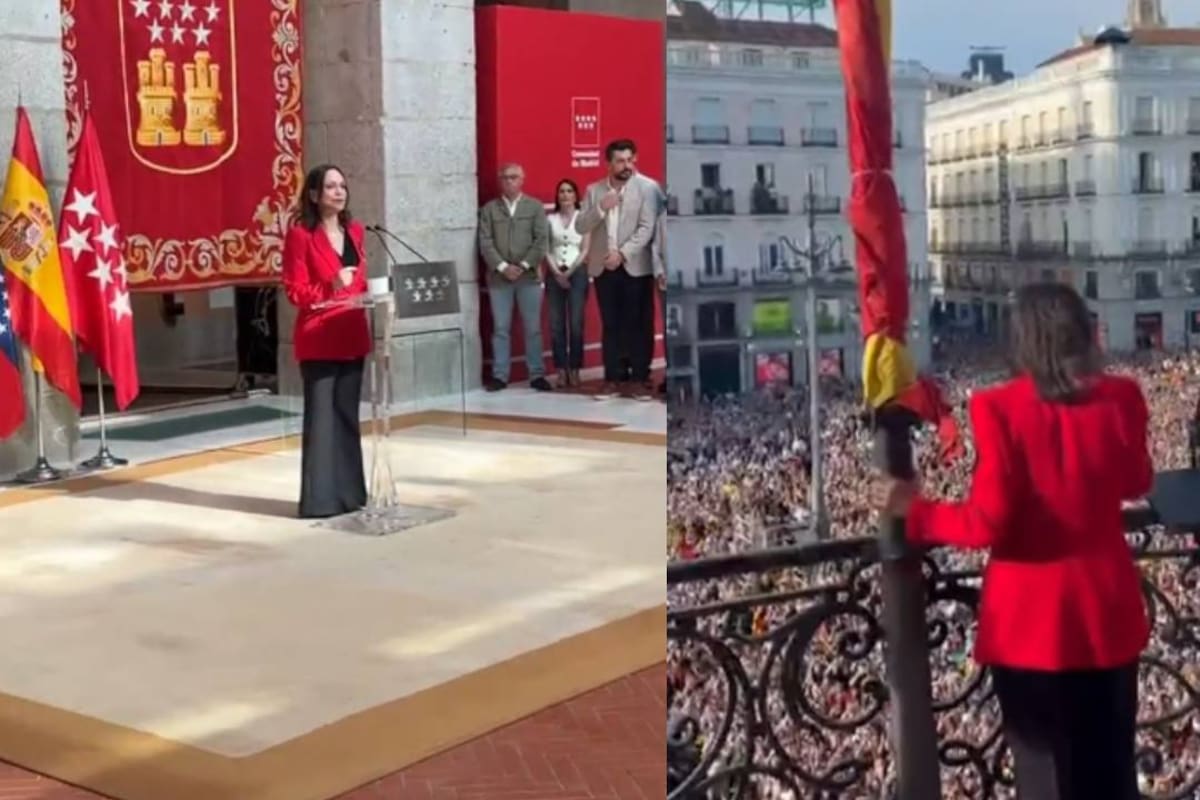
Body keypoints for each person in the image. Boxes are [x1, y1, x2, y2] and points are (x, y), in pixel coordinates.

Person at [872, 282, 1153, 800]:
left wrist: (918, 512)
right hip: (1108, 614)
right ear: (1083, 332)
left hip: (1032, 626)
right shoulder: (1123, 396)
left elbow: (986, 523)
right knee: (1111, 770)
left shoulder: (1000, 408)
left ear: (1022, 339)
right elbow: (1137, 481)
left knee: (1045, 776)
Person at [281, 164, 371, 519]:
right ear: (315, 194)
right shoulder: (300, 236)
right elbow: (295, 290)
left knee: (347, 416)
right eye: (331, 186)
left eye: (342, 185)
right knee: (322, 420)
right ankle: (320, 501)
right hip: (319, 336)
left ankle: (350, 495)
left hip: (352, 331)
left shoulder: (356, 231)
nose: (339, 192)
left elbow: (359, 282)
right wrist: (330, 285)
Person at [577, 138, 658, 401]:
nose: (626, 166)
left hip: (635, 266)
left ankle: (640, 379)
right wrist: (601, 207)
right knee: (611, 324)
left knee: (638, 324)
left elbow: (647, 228)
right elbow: (580, 226)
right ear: (609, 163)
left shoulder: (648, 188)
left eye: (630, 160)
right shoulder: (594, 190)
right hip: (604, 267)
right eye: (620, 161)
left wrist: (622, 254)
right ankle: (612, 378)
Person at [478, 162, 552, 392]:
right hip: (499, 279)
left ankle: (537, 374)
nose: (509, 181)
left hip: (528, 277)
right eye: (505, 177)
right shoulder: (490, 210)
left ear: (522, 180)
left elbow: (541, 241)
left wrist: (522, 265)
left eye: (513, 177)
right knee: (500, 328)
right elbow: (485, 242)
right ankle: (500, 375)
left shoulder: (535, 207)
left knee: (533, 328)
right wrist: (502, 267)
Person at [544, 178, 590, 389]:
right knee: (556, 324)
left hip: (577, 272)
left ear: (575, 195)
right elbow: (546, 248)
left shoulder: (583, 219)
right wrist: (556, 272)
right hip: (554, 274)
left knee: (576, 323)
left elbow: (585, 249)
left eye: (569, 191)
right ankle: (561, 370)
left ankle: (575, 370)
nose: (565, 195)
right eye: (561, 191)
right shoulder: (549, 219)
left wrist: (570, 272)